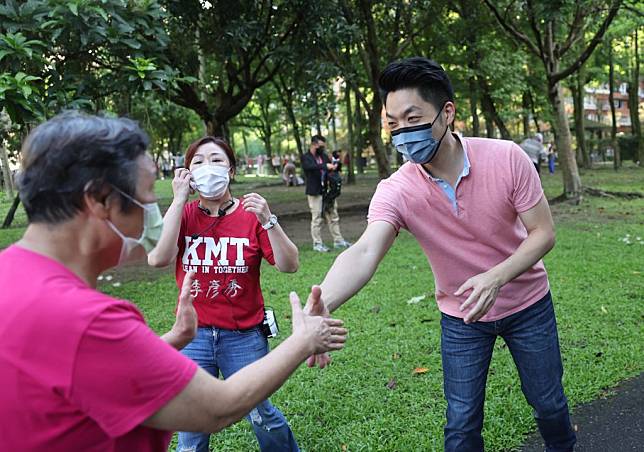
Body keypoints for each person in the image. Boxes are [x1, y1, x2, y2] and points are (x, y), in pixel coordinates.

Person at [0, 112, 347, 451]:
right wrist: (303, 340)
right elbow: (216, 408)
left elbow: (106, 373)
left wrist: (175, 338)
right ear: (102, 200)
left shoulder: (11, 275)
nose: (153, 204)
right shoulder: (91, 322)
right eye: (148, 190)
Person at [304, 57, 576, 452]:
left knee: (549, 404)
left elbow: (543, 233)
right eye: (392, 124)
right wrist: (321, 303)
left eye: (412, 118)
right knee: (461, 423)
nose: (402, 133)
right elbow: (364, 251)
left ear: (446, 112)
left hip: (528, 305)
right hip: (461, 317)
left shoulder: (506, 158)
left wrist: (496, 276)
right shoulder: (397, 189)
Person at [148, 136, 306, 452]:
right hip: (194, 337)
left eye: (217, 160)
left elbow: (289, 265)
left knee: (261, 412)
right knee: (191, 424)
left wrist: (269, 220)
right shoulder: (185, 214)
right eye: (199, 161)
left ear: (231, 170)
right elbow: (158, 258)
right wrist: (178, 200)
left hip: (244, 336)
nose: (209, 168)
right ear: (187, 173)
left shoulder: (251, 213)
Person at [301, 135, 351, 252]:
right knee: (317, 217)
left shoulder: (323, 156)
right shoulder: (306, 157)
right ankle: (317, 244)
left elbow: (332, 168)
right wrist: (325, 166)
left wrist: (337, 162)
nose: (322, 148)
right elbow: (309, 167)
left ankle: (338, 241)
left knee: (333, 216)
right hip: (315, 192)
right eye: (320, 146)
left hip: (327, 191)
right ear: (313, 144)